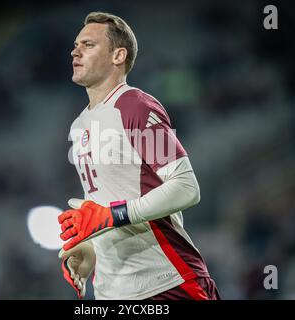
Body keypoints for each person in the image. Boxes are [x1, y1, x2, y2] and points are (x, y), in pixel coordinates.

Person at [58, 11, 220, 300]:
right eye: (75, 44)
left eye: (88, 44)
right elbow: (103, 208)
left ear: (118, 56)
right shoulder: (79, 124)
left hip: (167, 282)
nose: (75, 50)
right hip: (111, 291)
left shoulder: (134, 105)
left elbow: (186, 187)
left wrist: (111, 216)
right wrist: (91, 252)